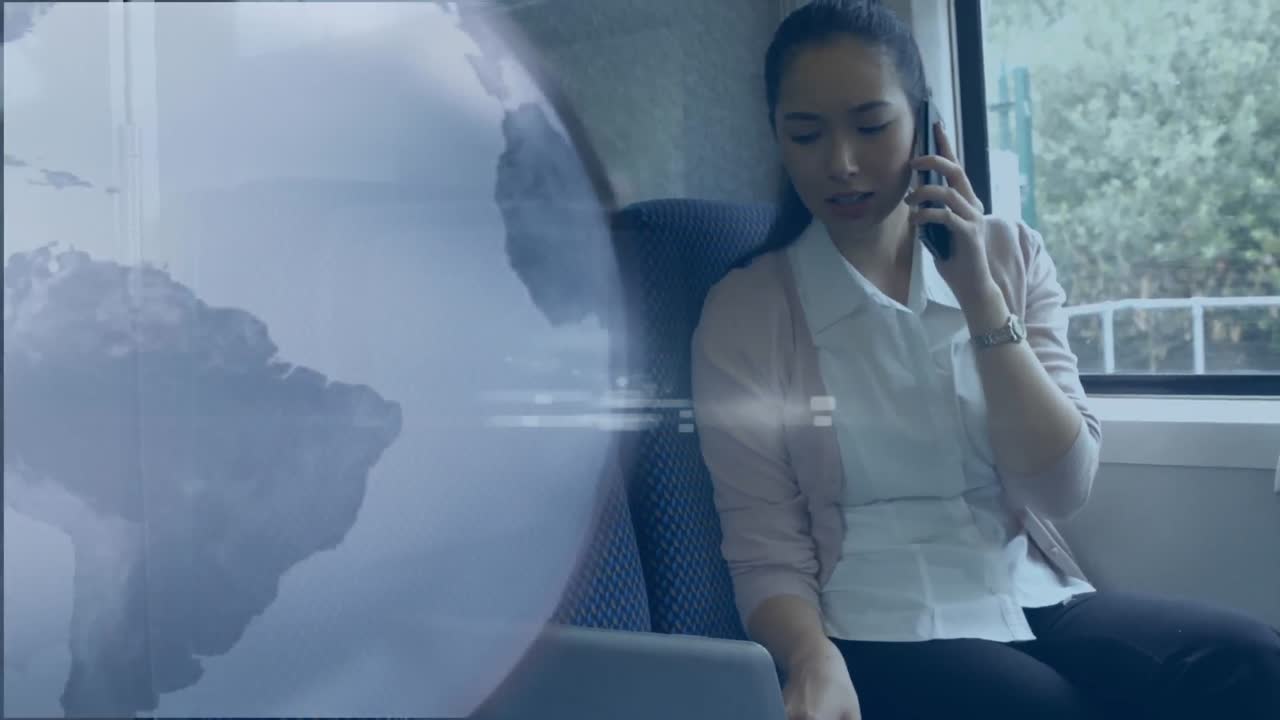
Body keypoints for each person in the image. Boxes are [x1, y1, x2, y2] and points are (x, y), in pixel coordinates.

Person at [688, 1, 1280, 718]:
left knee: (1249, 663)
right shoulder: (747, 311)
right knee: (1041, 707)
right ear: (777, 138)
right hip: (872, 619)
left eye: (871, 127)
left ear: (926, 125)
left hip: (1028, 592)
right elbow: (763, 544)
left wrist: (979, 295)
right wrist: (814, 661)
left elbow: (1061, 489)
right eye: (805, 134)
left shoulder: (1011, 254)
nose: (840, 164)